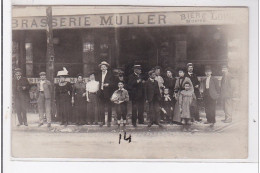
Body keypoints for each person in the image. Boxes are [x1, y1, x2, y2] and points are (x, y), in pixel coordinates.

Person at [97, 61, 115, 127]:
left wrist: (108, 84)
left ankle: (109, 121)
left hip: (108, 93)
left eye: (104, 67)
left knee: (109, 108)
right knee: (101, 108)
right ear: (100, 68)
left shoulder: (110, 74)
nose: (103, 68)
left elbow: (114, 84)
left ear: (107, 67)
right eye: (102, 67)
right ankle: (102, 121)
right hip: (101, 93)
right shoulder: (99, 74)